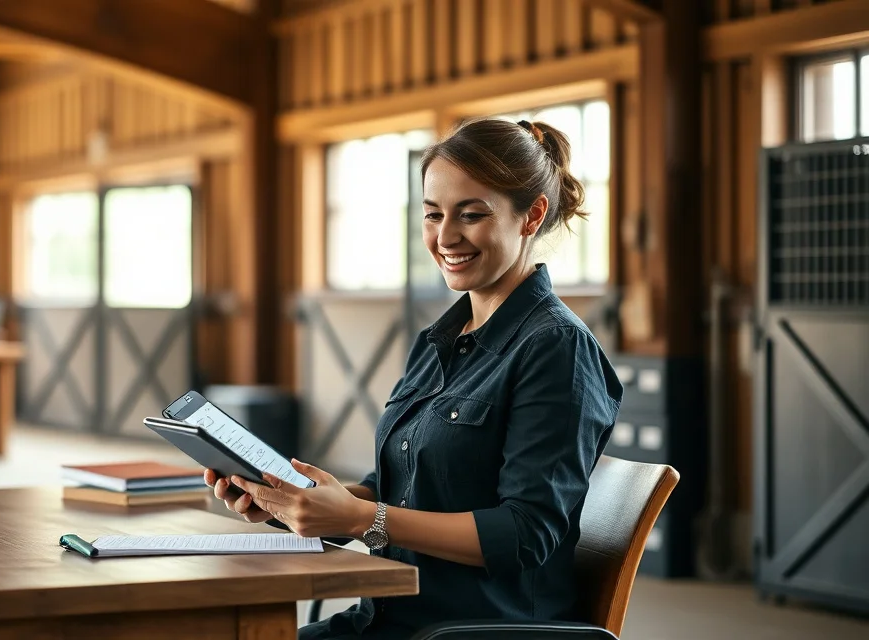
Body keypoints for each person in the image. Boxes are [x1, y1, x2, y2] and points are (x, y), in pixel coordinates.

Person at [204, 117, 623, 639]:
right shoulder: (438, 342)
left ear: (532, 215)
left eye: (471, 215)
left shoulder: (557, 348)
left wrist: (360, 519)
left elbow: (525, 533)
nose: (446, 237)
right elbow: (398, 493)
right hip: (387, 617)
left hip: (469, 631)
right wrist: (295, 503)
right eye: (432, 215)